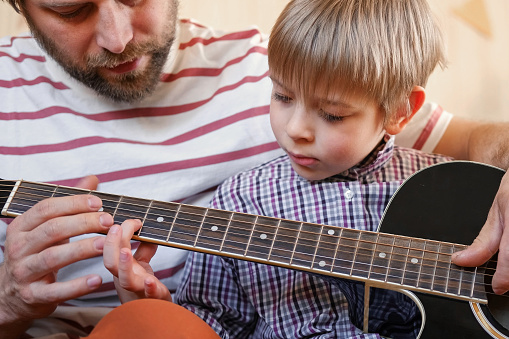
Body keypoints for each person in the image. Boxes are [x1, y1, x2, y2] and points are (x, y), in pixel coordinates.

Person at [0, 0, 508, 338]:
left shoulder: (280, 59)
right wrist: (8, 305)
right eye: (71, 6)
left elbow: (483, 143)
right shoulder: (247, 192)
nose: (117, 35)